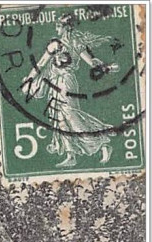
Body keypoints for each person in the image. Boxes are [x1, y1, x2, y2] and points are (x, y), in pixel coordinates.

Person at [20, 13, 120, 168]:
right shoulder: (54, 44)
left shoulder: (76, 42)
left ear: (67, 27)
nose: (56, 28)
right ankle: (70, 154)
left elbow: (91, 62)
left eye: (59, 25)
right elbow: (41, 63)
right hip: (54, 82)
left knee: (70, 114)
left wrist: (106, 68)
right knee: (58, 117)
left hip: (67, 81)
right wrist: (30, 78)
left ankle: (101, 142)